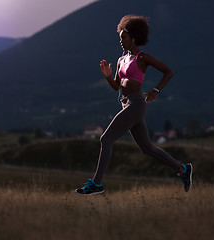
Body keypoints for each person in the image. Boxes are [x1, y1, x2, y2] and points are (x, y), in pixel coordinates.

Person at [75, 15, 193, 195]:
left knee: (105, 139)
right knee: (147, 148)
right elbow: (117, 87)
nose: (121, 41)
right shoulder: (121, 60)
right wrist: (107, 77)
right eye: (120, 37)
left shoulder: (143, 57)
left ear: (134, 37)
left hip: (136, 105)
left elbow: (168, 72)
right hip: (126, 104)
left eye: (124, 37)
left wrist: (156, 90)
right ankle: (183, 169)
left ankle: (96, 184)